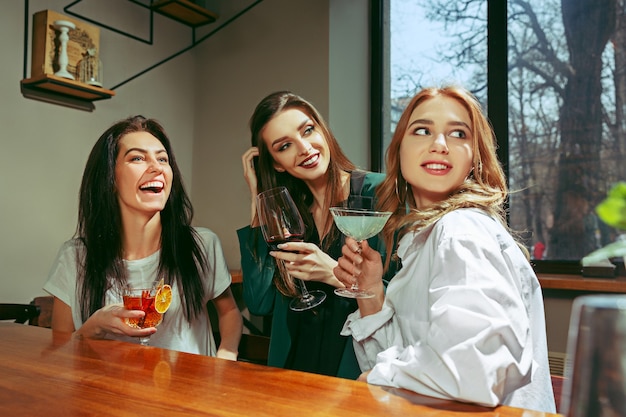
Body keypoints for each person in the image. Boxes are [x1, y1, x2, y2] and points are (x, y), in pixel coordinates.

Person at [334, 86, 556, 412]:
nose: (439, 145)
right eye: (422, 130)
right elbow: (420, 362)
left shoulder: (460, 231)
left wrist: (377, 378)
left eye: (457, 133)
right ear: (399, 152)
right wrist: (369, 292)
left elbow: (475, 375)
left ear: (474, 159)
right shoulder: (430, 237)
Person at [44, 115, 243, 358]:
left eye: (162, 159)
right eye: (137, 158)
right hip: (107, 392)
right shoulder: (75, 257)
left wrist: (226, 357)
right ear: (109, 178)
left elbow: (230, 312)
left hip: (189, 391)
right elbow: (59, 351)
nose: (157, 167)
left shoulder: (200, 245)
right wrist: (94, 326)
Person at [238, 91, 393, 379]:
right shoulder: (291, 215)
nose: (304, 148)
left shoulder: (380, 193)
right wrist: (258, 199)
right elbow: (259, 302)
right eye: (285, 146)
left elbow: (406, 297)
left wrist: (334, 273)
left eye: (308, 130)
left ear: (322, 130)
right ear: (276, 163)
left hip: (355, 371)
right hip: (295, 373)